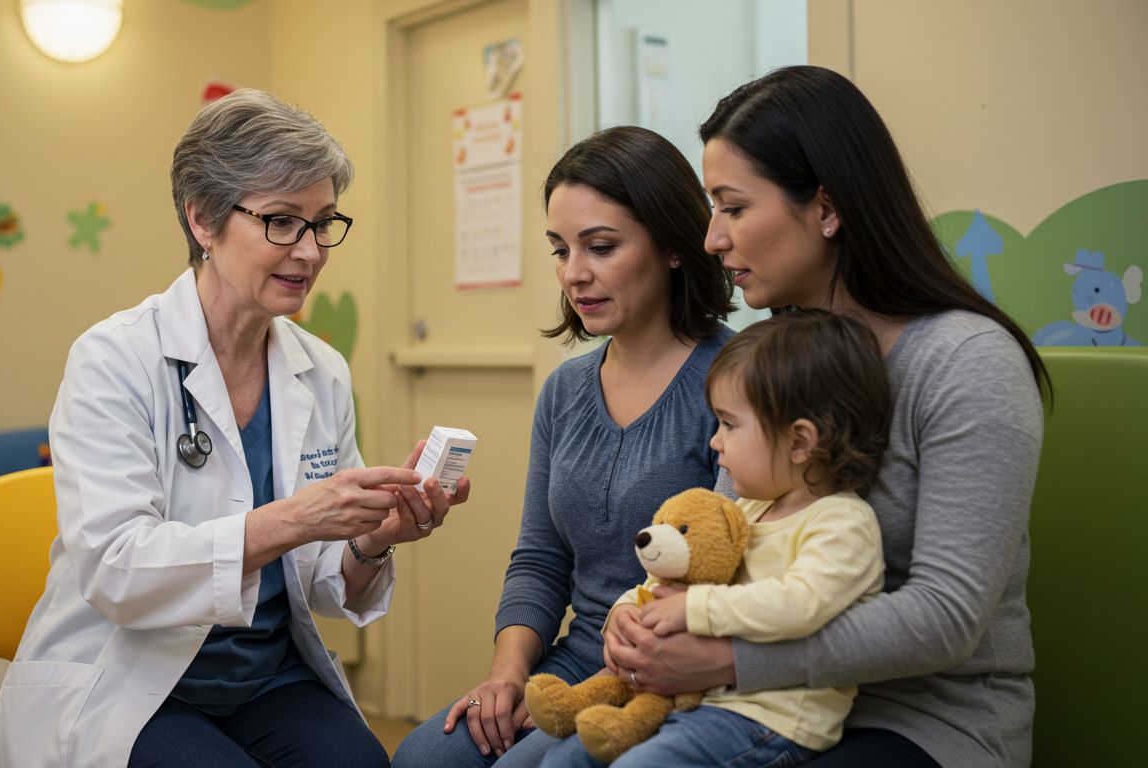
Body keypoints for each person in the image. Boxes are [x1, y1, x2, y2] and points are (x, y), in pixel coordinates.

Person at [0, 89, 468, 767]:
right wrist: (293, 519)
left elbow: (327, 586)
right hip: (136, 676)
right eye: (281, 222)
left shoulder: (318, 370)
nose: (310, 251)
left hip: (270, 679)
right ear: (203, 219)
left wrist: (373, 541)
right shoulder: (114, 358)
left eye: (323, 223)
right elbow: (115, 568)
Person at [603, 65, 1049, 767]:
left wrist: (727, 660)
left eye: (733, 206)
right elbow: (725, 538)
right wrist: (641, 619)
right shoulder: (773, 361)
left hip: (925, 721)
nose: (712, 239)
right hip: (750, 708)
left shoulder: (967, 362)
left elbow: (948, 617)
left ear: (827, 208)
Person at [393, 126, 734, 767]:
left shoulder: (736, 382)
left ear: (672, 247)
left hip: (673, 670)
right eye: (559, 249)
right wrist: (507, 676)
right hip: (573, 658)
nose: (574, 274)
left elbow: (735, 577)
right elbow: (541, 559)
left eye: (601, 247)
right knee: (422, 759)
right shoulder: (566, 390)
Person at [540, 309, 891, 767]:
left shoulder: (842, 523)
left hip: (769, 720)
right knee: (564, 760)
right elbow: (681, 574)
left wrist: (692, 610)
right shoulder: (749, 509)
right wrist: (626, 612)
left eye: (729, 424)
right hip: (701, 701)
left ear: (800, 442)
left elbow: (800, 605)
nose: (715, 442)